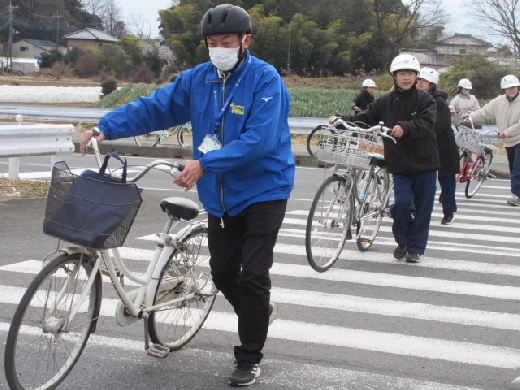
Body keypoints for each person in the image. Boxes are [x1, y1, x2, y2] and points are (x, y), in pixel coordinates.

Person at [79, 4, 295, 386]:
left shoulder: (265, 80)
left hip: (265, 188)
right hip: (220, 196)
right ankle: (256, 311)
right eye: (212, 43)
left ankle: (249, 357)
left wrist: (205, 164)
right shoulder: (198, 79)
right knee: (223, 272)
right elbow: (155, 108)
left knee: (253, 275)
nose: (218, 49)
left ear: (246, 41)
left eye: (226, 42)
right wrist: (105, 127)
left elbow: (259, 140)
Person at [329, 54, 439, 263]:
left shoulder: (426, 99)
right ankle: (403, 242)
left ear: (416, 77)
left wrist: (404, 127)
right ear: (394, 77)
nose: (406, 77)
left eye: (410, 73)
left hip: (425, 161)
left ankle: (416, 249)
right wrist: (341, 119)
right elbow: (364, 117)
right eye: (402, 73)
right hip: (399, 163)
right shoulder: (385, 101)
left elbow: (427, 122)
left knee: (423, 208)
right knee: (402, 205)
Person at [465, 75, 520, 206]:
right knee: (513, 167)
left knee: (518, 167)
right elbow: (484, 112)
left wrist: (506, 132)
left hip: (517, 138)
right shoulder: (499, 101)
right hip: (508, 141)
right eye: (508, 88)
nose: (512, 90)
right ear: (504, 89)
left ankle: (517, 195)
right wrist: (470, 117)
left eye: (514, 87)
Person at [416, 67, 459, 225]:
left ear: (432, 84)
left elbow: (438, 125)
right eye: (418, 80)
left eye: (424, 81)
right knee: (420, 179)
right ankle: (414, 209)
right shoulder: (416, 99)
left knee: (446, 180)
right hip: (424, 145)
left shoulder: (439, 102)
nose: (420, 83)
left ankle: (449, 211)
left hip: (443, 146)